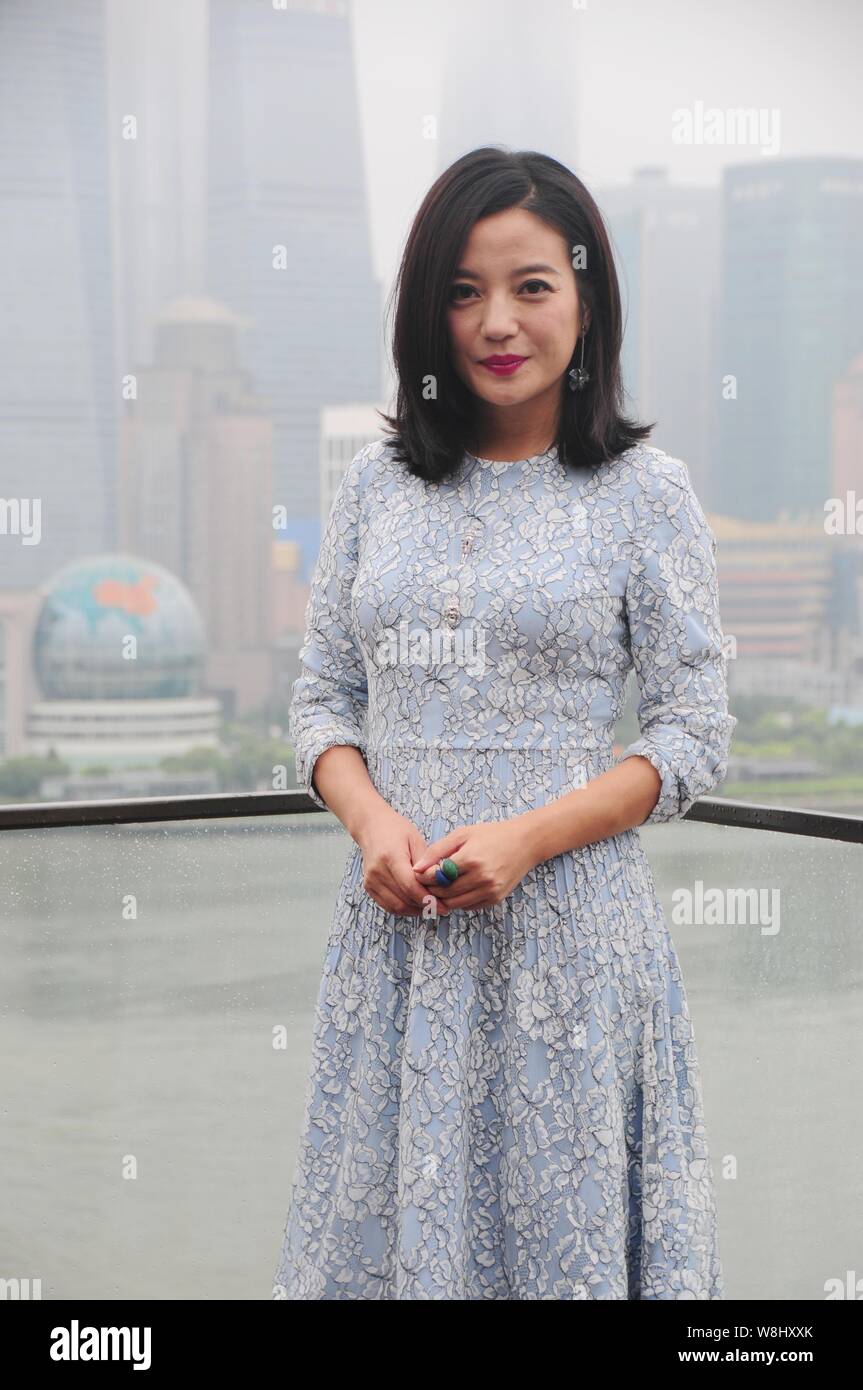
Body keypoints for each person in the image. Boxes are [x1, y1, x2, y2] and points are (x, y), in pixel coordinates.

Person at [272, 146, 737, 1300]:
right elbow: (321, 698)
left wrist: (527, 837)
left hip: (572, 940)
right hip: (398, 935)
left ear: (586, 302)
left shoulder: (646, 494)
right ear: (429, 310)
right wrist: (369, 818)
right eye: (463, 289)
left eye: (531, 286)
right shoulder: (376, 487)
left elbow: (691, 730)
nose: (496, 321)